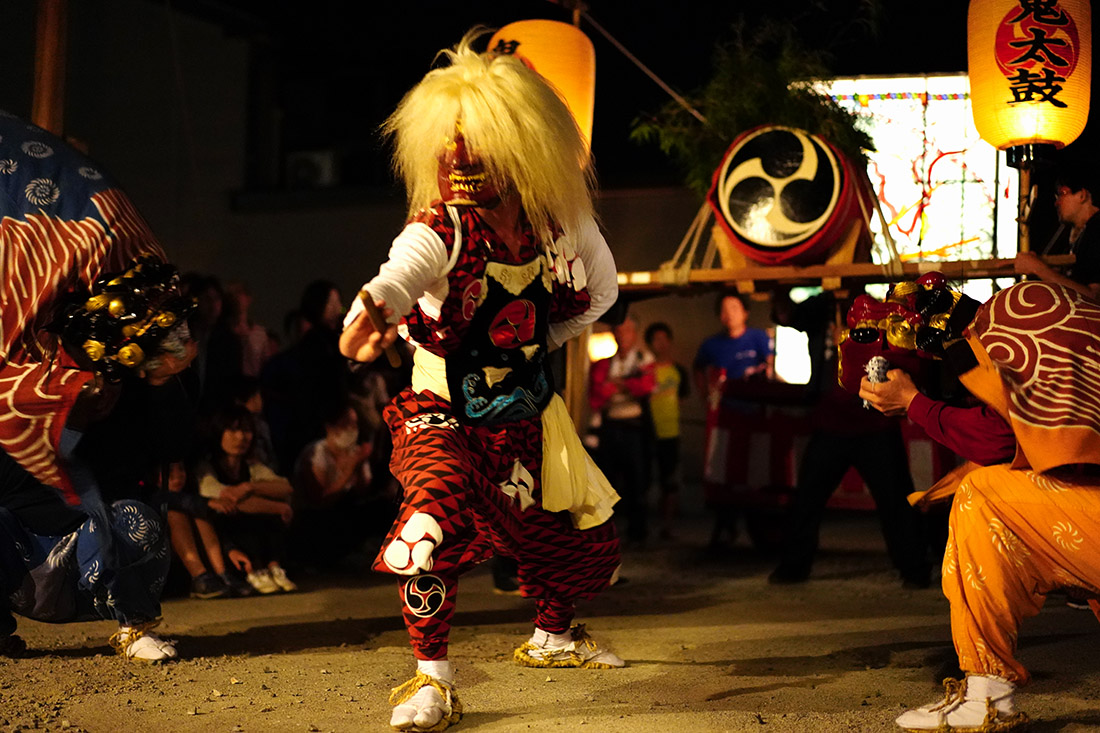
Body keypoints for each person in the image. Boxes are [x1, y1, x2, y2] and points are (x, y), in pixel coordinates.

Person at [339, 31, 624, 732]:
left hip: (525, 414)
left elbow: (602, 294)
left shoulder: (561, 221)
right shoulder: (441, 229)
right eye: (449, 140)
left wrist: (532, 348)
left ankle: (553, 638)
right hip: (438, 410)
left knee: (572, 538)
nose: (459, 155)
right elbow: (398, 274)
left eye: (479, 140)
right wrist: (372, 313)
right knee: (428, 519)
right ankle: (431, 679)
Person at [851, 273, 1100, 732]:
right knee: (1005, 490)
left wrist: (913, 402)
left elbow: (996, 436)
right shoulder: (1072, 326)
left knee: (980, 495)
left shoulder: (1019, 315)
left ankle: (988, 694)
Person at [768, 290, 931, 588]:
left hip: (875, 424)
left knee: (895, 501)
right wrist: (780, 287)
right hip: (830, 423)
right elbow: (787, 316)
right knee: (807, 499)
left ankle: (915, 568)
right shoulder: (821, 309)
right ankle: (793, 566)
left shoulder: (881, 312)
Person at [693, 291, 773, 548]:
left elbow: (770, 366)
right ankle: (725, 526)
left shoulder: (758, 337)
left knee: (755, 473)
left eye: (735, 308)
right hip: (726, 418)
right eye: (725, 309)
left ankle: (758, 529)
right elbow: (698, 367)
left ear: (745, 312)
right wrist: (705, 394)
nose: (729, 314)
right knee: (723, 472)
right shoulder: (711, 344)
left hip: (756, 417)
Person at [196, 406, 297, 594]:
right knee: (245, 514)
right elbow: (229, 498)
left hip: (254, 530)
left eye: (246, 430)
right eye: (233, 430)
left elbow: (285, 487)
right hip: (227, 538)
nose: (241, 437)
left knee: (267, 516)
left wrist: (250, 487)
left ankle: (274, 567)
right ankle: (255, 570)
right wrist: (277, 506)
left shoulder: (251, 467)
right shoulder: (207, 468)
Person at [589, 315, 656, 544]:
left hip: (634, 428)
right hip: (611, 427)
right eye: (619, 330)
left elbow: (645, 386)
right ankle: (607, 532)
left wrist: (619, 385)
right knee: (607, 480)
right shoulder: (604, 363)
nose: (623, 335)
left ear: (634, 333)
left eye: (627, 330)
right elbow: (597, 395)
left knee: (637, 481)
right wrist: (624, 386)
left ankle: (638, 531)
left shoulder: (643, 359)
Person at [1015, 165, 1100, 298]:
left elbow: (1094, 296)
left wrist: (1038, 268)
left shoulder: (1096, 229)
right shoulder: (1079, 234)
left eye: (1062, 194)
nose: (1057, 203)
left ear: (1082, 195)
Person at [644, 321, 689, 540]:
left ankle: (667, 525)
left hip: (671, 433)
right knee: (643, 479)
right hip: (647, 432)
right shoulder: (644, 370)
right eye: (655, 340)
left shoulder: (678, 371)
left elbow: (683, 398)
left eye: (664, 339)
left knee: (669, 481)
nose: (660, 344)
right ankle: (642, 525)